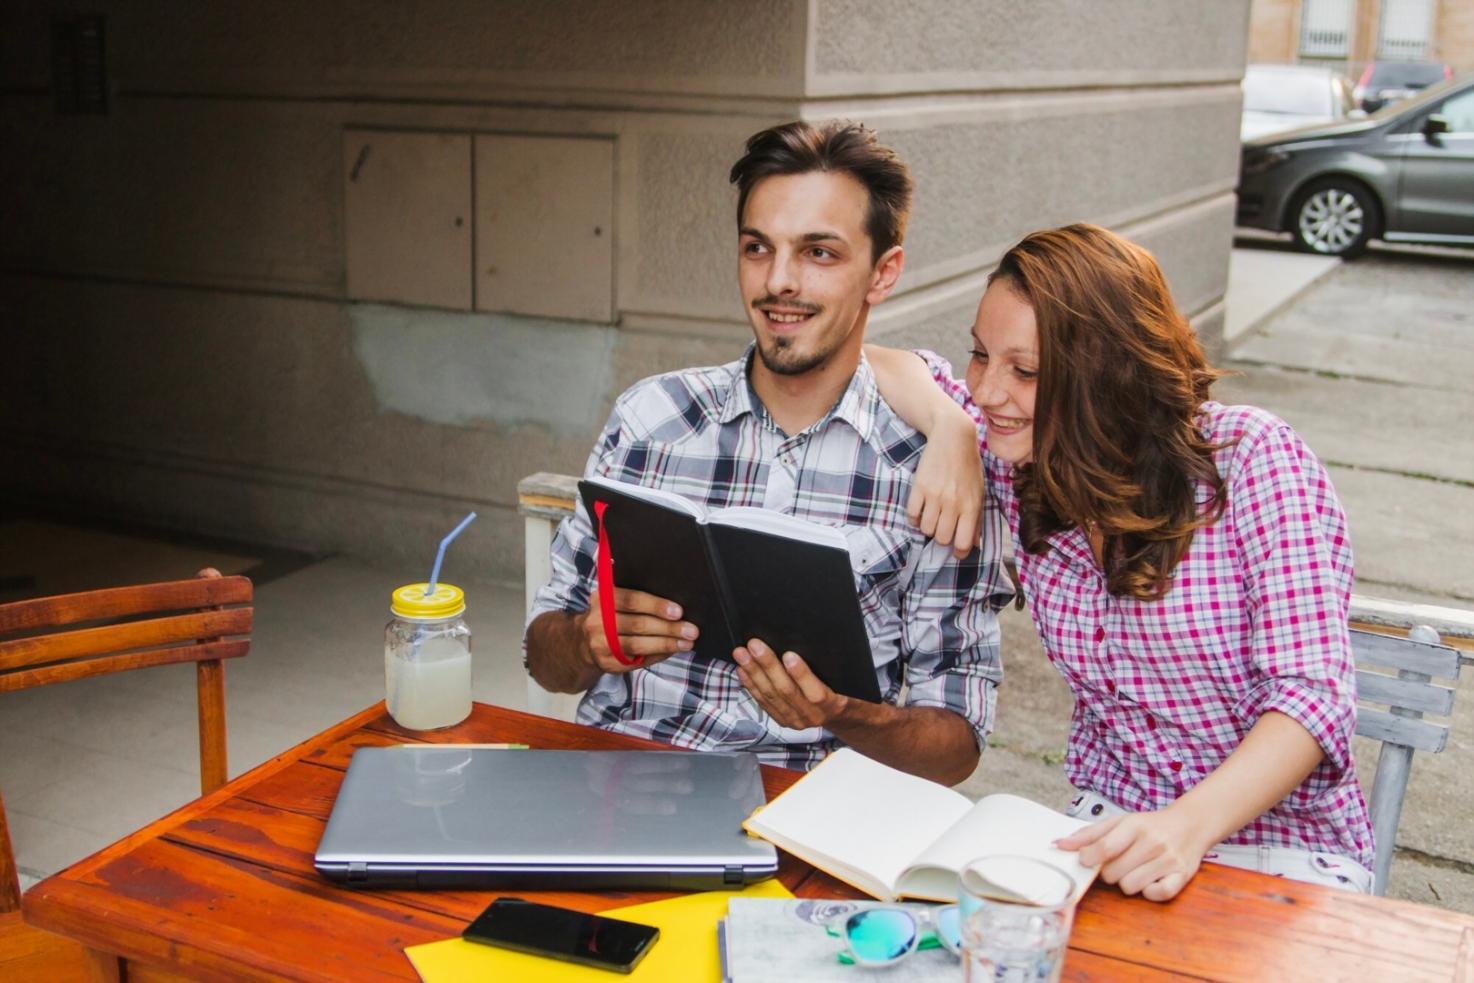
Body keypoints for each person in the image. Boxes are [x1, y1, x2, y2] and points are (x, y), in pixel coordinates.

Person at [867, 223, 1375, 898]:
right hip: (1108, 836)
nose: (988, 390)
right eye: (980, 355)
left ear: (1107, 373)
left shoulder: (1250, 458)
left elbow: (1312, 699)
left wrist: (1185, 827)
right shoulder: (1021, 454)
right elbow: (874, 359)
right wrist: (951, 427)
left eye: (1025, 370)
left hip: (1280, 852)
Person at [524, 121, 1013, 784]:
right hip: (619, 790)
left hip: (805, 815)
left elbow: (957, 743)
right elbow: (543, 659)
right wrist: (586, 640)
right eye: (758, 247)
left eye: (819, 253)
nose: (778, 281)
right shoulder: (652, 418)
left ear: (884, 272)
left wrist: (844, 712)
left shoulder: (931, 470)